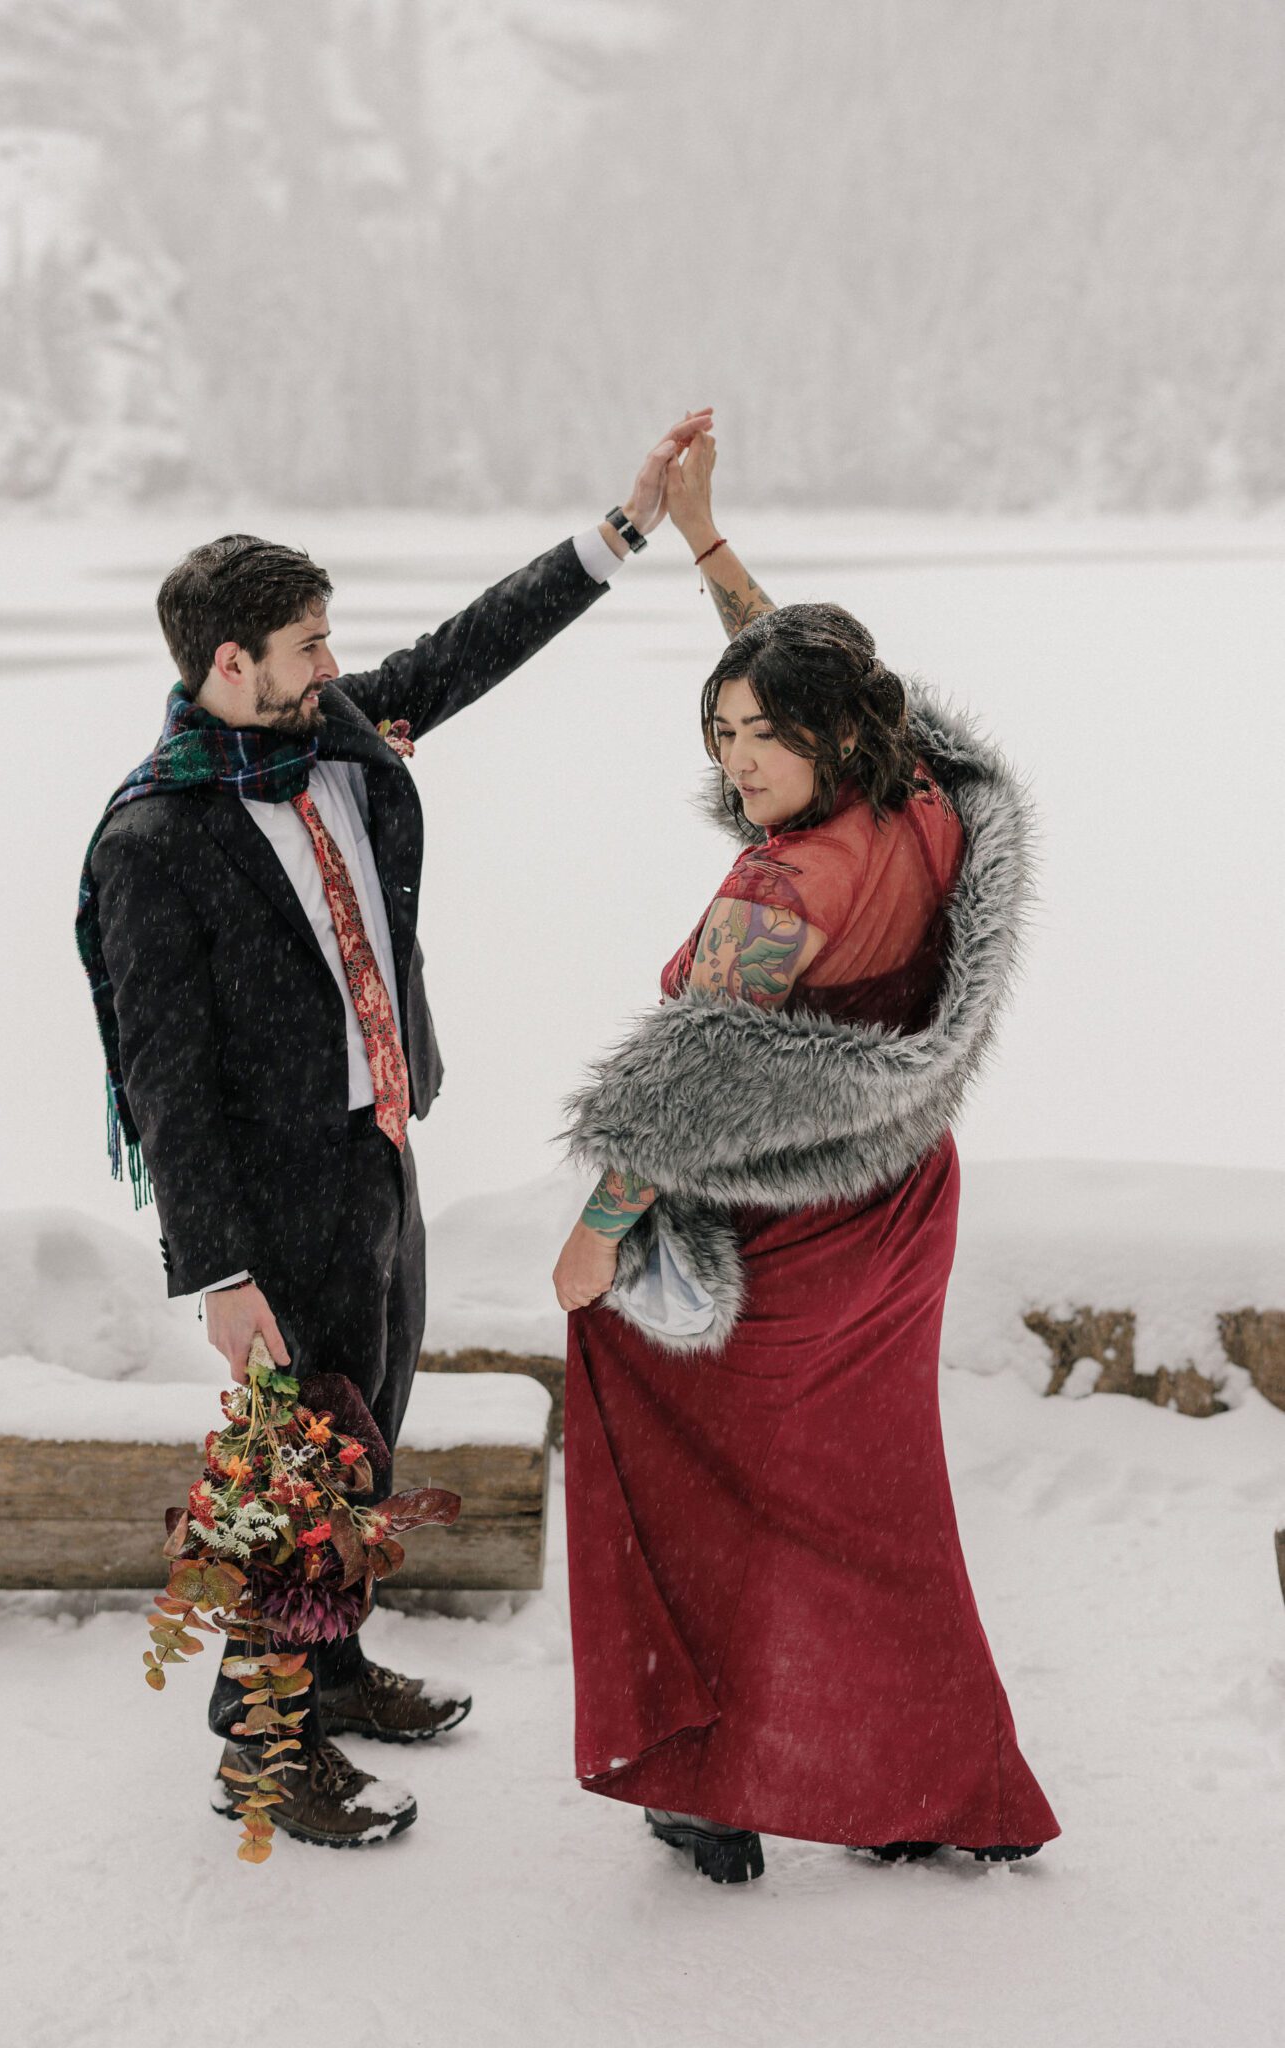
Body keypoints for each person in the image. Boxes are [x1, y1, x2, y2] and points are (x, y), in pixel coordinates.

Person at [78, 410, 713, 1850]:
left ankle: (337, 1668)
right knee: (296, 1475)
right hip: (267, 1199)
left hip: (374, 1154)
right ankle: (264, 1742)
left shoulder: (337, 738)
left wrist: (621, 532)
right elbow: (164, 1078)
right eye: (304, 645)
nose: (330, 662)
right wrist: (215, 1273)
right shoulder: (152, 841)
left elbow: (464, 650)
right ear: (223, 664)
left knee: (369, 1439)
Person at [554, 433, 1060, 1884]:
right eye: (718, 740)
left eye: (758, 740)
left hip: (782, 1232)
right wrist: (710, 550)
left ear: (828, 736)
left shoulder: (780, 883)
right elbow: (798, 671)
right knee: (874, 1507)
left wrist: (599, 1232)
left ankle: (708, 1777)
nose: (737, 763)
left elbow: (684, 1076)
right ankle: (929, 1786)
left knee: (685, 1465)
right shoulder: (920, 798)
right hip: (896, 1196)